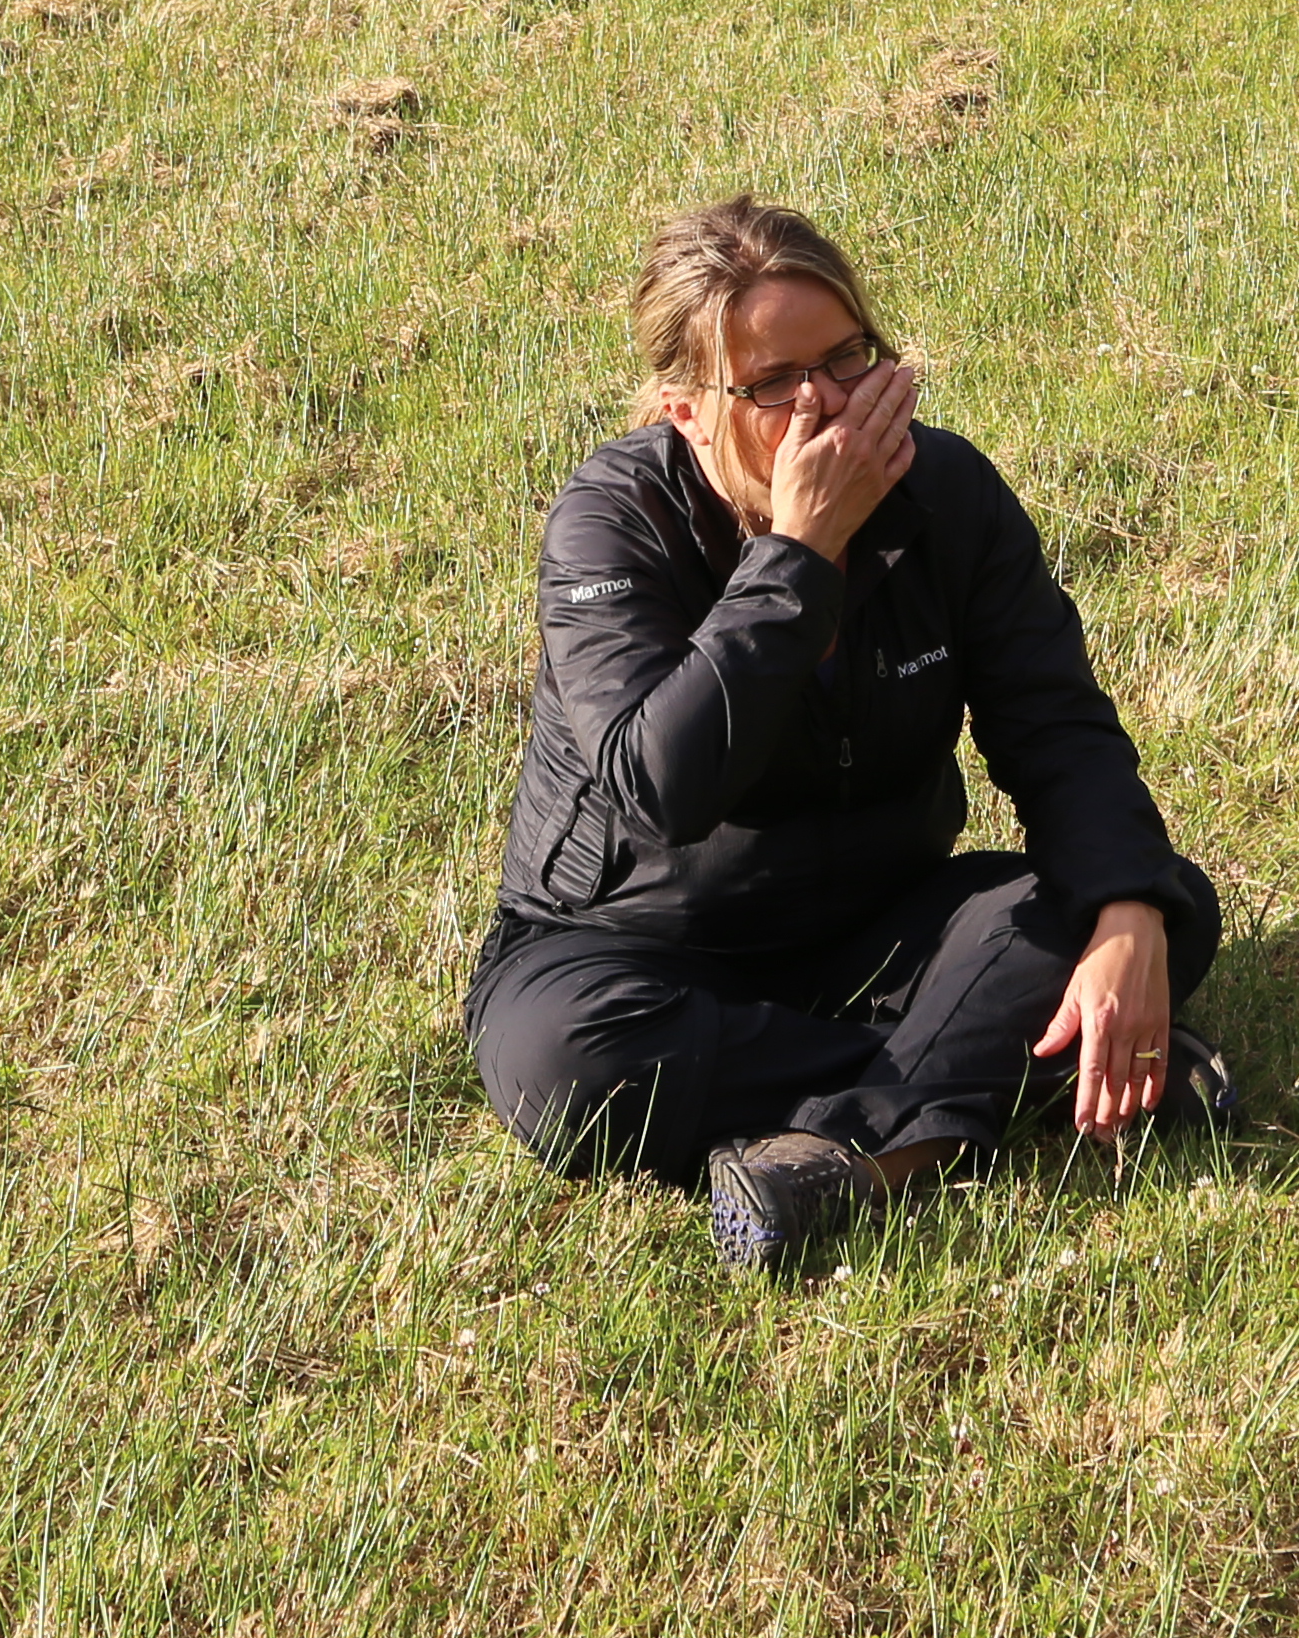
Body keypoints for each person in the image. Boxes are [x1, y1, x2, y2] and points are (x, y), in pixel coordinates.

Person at [467, 196, 1233, 1271]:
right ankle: (1018, 1072)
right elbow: (660, 785)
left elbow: (1056, 724)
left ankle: (835, 1160)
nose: (823, 401)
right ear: (685, 411)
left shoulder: (946, 493)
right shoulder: (612, 523)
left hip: (880, 929)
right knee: (563, 1066)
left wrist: (1125, 911)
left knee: (1154, 910)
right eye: (772, 383)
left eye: (845, 358)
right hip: (638, 948)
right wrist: (798, 552)